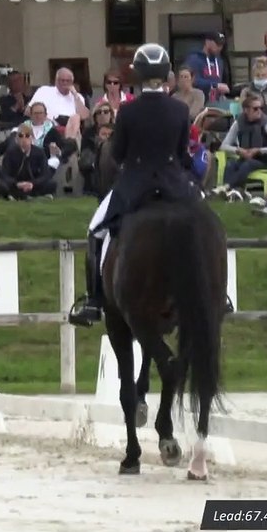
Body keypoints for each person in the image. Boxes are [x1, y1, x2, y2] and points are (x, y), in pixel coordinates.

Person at [68, 43, 199, 327]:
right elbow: (181, 154)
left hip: (134, 184)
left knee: (96, 230)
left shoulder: (127, 111)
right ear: (166, 74)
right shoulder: (179, 110)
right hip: (173, 183)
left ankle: (93, 300)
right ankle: (218, 292)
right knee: (208, 223)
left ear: (138, 75)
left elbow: (117, 154)